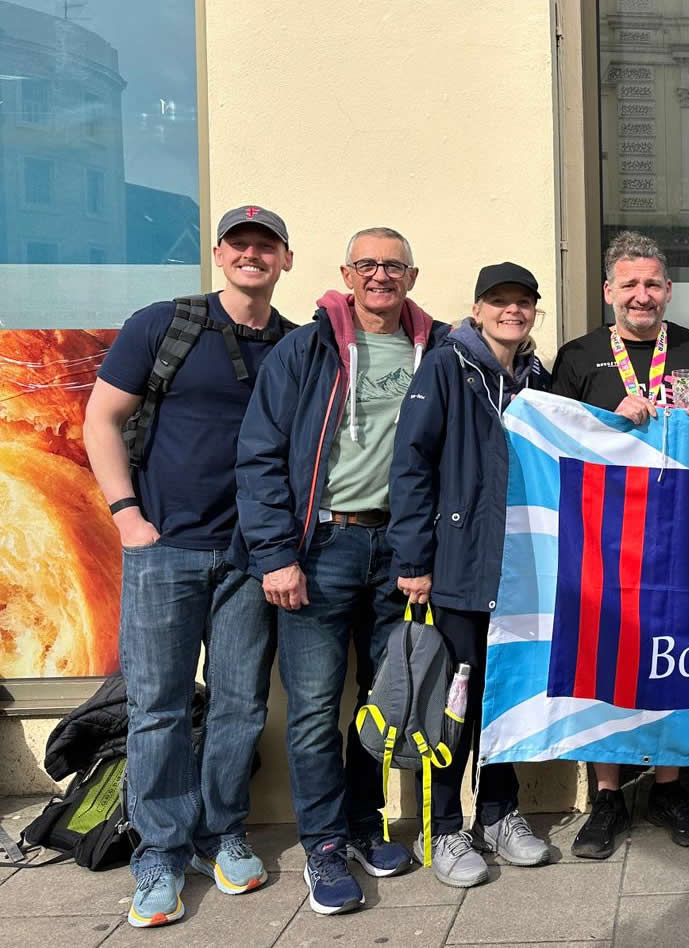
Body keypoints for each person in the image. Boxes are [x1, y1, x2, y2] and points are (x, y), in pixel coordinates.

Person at [83, 205, 294, 928]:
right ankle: (159, 853)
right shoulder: (164, 325)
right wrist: (127, 517)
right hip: (164, 548)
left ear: (285, 261)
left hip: (249, 558)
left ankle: (220, 834)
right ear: (218, 253)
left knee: (239, 705)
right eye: (240, 244)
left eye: (265, 247)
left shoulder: (293, 346)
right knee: (159, 708)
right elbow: (100, 418)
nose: (252, 256)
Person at [234, 226, 449, 914]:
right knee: (314, 708)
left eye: (393, 265)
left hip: (402, 551)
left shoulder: (440, 350)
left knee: (381, 706)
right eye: (368, 265)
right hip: (321, 550)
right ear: (346, 273)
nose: (380, 275)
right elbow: (261, 452)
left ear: (411, 276)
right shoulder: (308, 347)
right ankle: (323, 844)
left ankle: (362, 825)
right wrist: (276, 555)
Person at [550, 230, 689, 858]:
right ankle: (606, 796)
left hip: (683, 535)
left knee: (676, 656)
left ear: (669, 290)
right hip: (604, 540)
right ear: (608, 291)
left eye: (652, 283)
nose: (641, 294)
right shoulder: (576, 357)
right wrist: (604, 421)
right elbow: (557, 447)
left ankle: (668, 787)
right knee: (605, 658)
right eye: (629, 284)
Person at [386, 262, 553, 885]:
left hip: (523, 566)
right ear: (477, 308)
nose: (512, 311)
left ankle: (500, 813)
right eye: (499, 301)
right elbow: (412, 462)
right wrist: (414, 560)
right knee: (451, 700)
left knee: (507, 695)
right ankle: (443, 828)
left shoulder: (538, 375)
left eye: (523, 302)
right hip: (458, 567)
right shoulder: (448, 365)